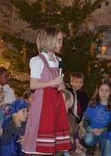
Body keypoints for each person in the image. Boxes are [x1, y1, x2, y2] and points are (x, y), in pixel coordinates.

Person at [22, 26, 71, 155]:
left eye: (61, 40)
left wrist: (62, 86)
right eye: (59, 40)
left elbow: (60, 84)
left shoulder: (58, 60)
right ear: (49, 40)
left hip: (56, 102)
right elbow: (33, 84)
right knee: (40, 133)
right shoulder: (37, 60)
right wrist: (52, 83)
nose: (61, 44)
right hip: (43, 103)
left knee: (52, 140)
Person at [83, 78, 111, 156]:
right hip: (93, 132)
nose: (104, 93)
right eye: (101, 90)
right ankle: (92, 146)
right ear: (98, 91)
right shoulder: (92, 104)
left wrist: (102, 130)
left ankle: (102, 144)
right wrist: (91, 130)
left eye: (107, 90)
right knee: (88, 140)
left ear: (110, 92)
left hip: (106, 135)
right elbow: (86, 121)